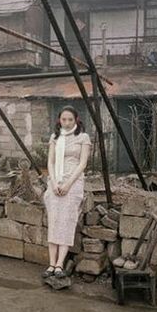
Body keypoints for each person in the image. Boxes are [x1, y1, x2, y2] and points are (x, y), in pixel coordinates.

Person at [42, 106, 92, 279]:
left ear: (76, 120)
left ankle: (59, 264)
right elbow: (50, 162)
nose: (67, 122)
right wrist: (55, 183)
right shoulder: (55, 137)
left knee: (67, 222)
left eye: (70, 119)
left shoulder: (83, 137)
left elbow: (83, 163)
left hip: (73, 183)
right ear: (59, 120)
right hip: (55, 183)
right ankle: (50, 263)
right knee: (54, 221)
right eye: (64, 119)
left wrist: (68, 184)